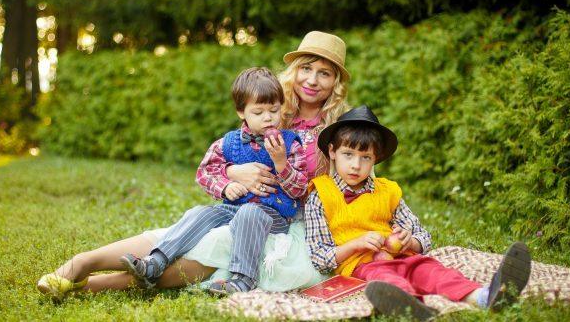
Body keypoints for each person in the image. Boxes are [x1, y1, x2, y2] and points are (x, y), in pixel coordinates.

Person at [37, 30, 351, 300]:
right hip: (239, 201)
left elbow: (351, 184)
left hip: (287, 219)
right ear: (294, 70)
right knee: (193, 225)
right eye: (306, 68)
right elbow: (227, 155)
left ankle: (91, 286)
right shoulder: (272, 104)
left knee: (217, 246)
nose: (311, 80)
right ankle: (82, 263)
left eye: (324, 73)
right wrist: (231, 173)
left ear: (336, 81)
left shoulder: (339, 130)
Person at [304, 105, 532, 321]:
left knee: (433, 271)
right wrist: (357, 244)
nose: (356, 165)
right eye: (348, 154)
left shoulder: (388, 191)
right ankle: (411, 307)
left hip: (402, 257)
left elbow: (423, 236)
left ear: (376, 159)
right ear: (332, 152)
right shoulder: (320, 195)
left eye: (366, 158)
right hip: (363, 266)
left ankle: (486, 297)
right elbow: (320, 257)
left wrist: (409, 242)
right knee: (387, 281)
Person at [119, 67, 308, 295]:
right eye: (258, 112)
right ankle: (156, 261)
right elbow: (205, 172)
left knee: (250, 213)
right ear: (241, 112)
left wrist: (280, 163)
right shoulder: (227, 143)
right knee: (202, 212)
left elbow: (299, 189)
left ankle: (242, 280)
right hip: (233, 209)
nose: (268, 118)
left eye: (274, 110)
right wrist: (226, 186)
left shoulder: (290, 144)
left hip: (274, 217)